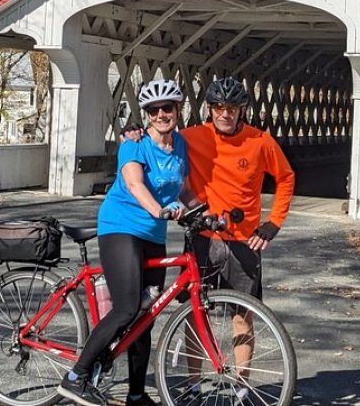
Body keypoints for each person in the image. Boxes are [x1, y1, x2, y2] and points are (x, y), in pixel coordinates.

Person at [125, 77, 294, 403]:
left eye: (231, 108)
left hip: (244, 240)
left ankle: (242, 386)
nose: (225, 114)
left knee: (242, 316)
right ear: (209, 109)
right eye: (218, 107)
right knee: (192, 314)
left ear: (241, 110)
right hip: (203, 237)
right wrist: (133, 131)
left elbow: (286, 177)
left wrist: (273, 224)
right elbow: (158, 135)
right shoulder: (192, 137)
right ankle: (192, 384)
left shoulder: (260, 141)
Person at [58, 79, 195, 406]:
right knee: (127, 307)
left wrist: (201, 212)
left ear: (178, 110)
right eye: (154, 110)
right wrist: (160, 210)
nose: (162, 114)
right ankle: (75, 377)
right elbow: (134, 184)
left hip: (153, 235)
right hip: (121, 227)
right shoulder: (134, 144)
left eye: (168, 108)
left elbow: (184, 190)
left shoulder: (180, 145)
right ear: (147, 115)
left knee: (144, 317)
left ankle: (136, 395)